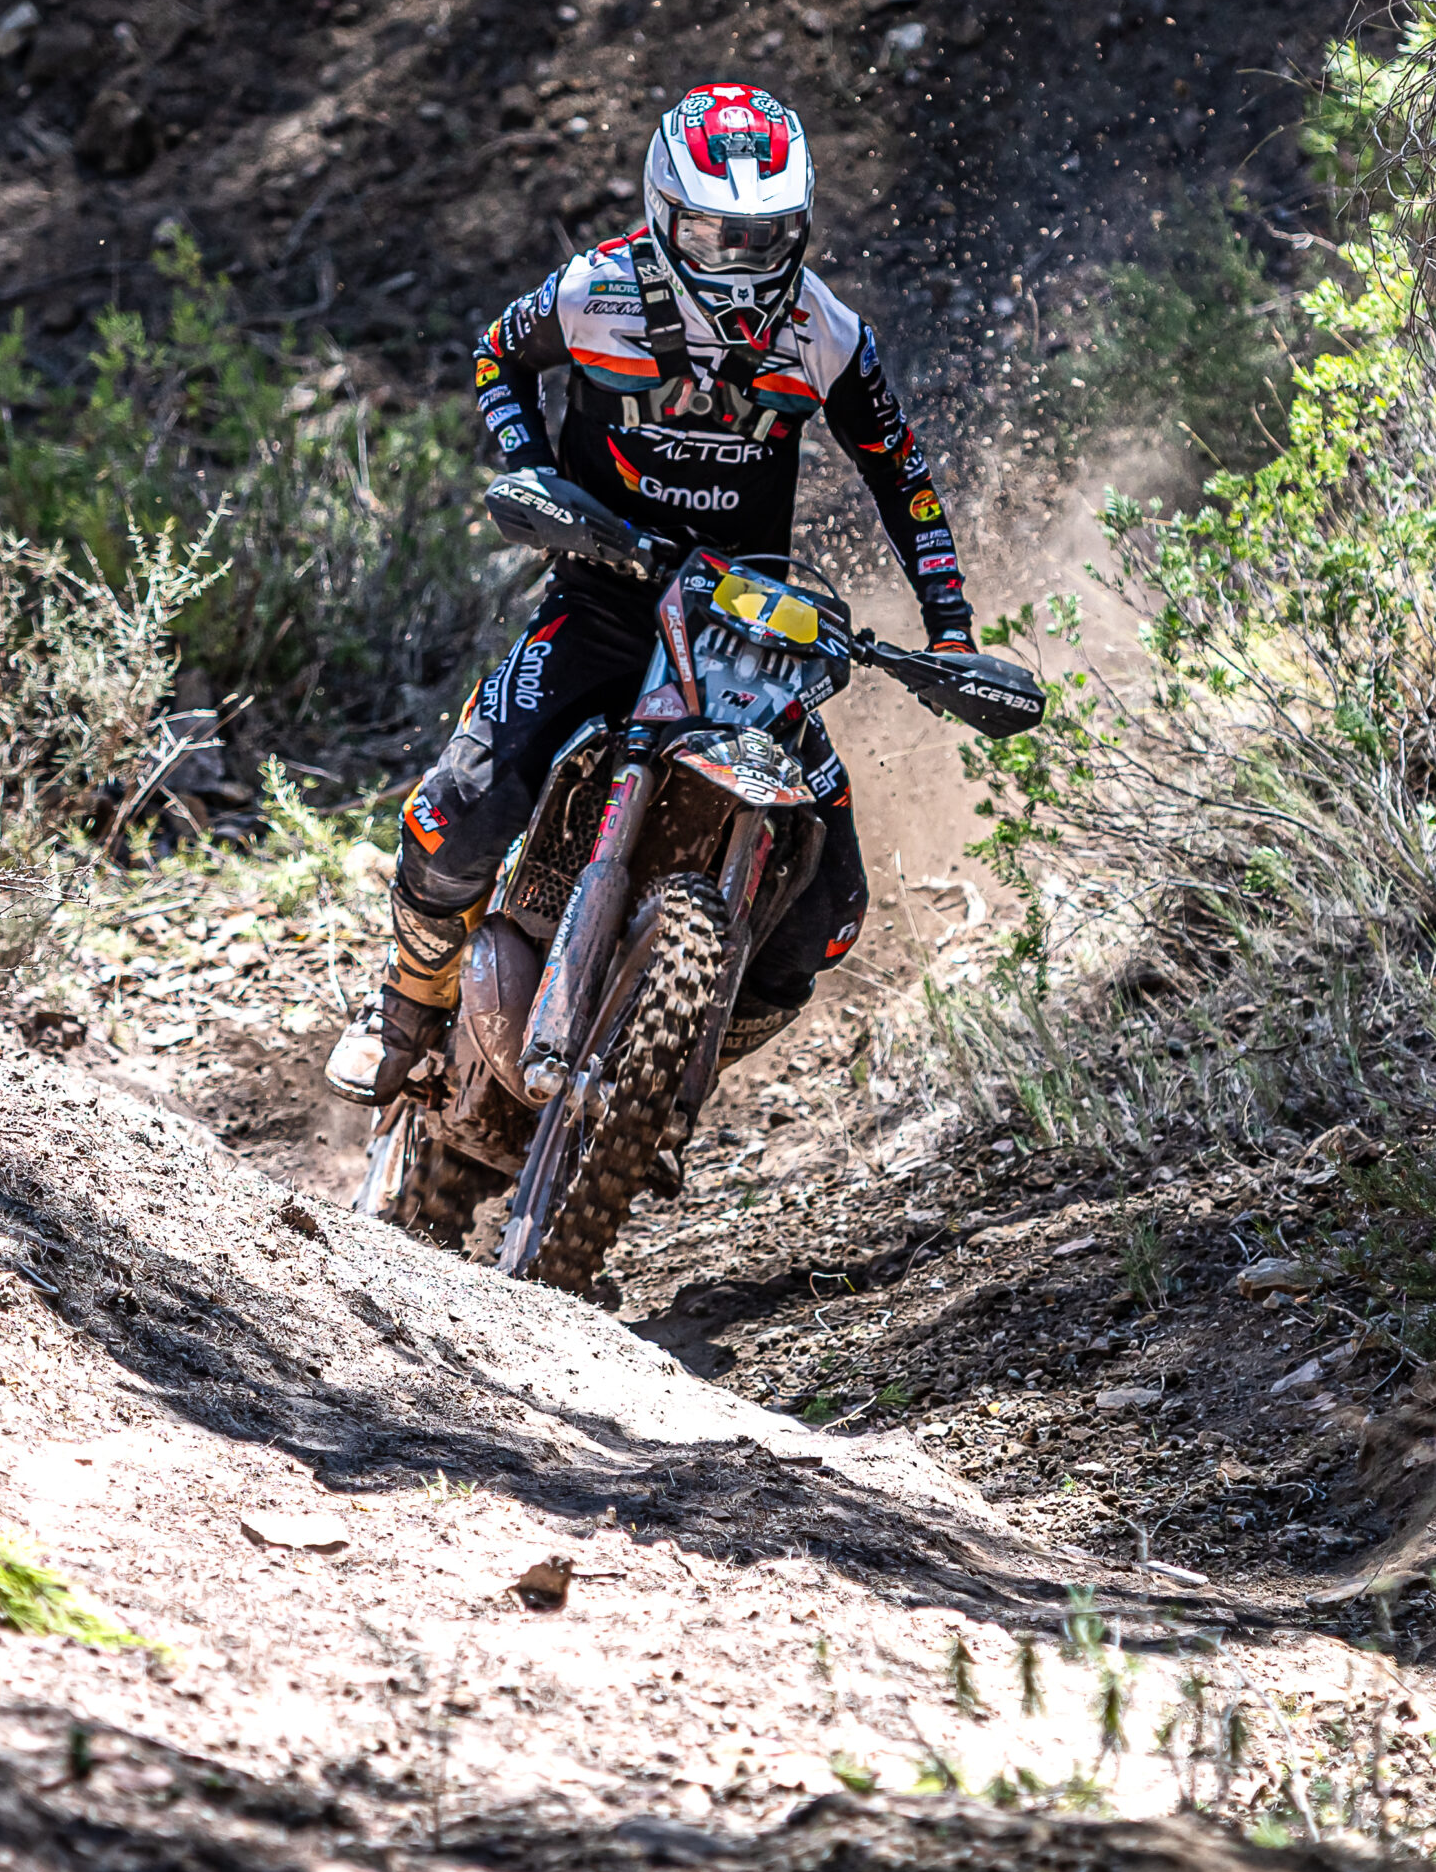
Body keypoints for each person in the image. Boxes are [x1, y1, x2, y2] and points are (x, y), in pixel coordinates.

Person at [324, 79, 976, 1105]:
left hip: (744, 629)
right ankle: (404, 1005)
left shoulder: (828, 330)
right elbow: (498, 354)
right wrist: (533, 472)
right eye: (714, 234)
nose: (740, 261)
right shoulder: (597, 289)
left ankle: (663, 1089)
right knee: (461, 807)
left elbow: (901, 471)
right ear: (665, 215)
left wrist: (950, 630)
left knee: (827, 915)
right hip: (606, 595)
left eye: (766, 237)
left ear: (801, 227)